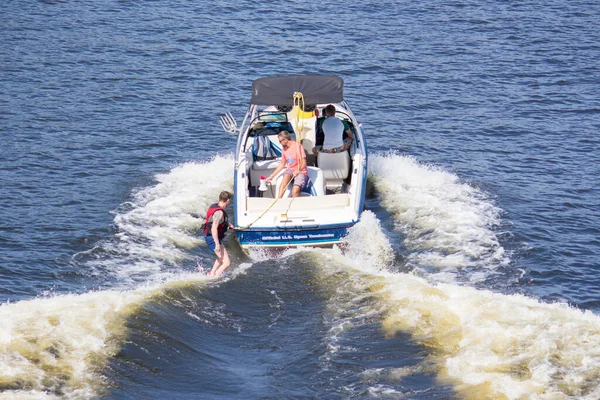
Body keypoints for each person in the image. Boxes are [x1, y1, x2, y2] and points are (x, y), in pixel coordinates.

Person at [265, 131, 308, 198]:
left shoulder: (298, 146)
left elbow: (304, 163)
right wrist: (272, 176)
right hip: (290, 170)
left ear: (285, 139)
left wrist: (298, 170)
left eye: (280, 141)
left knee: (295, 191)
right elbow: (282, 163)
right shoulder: (284, 149)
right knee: (286, 177)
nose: (280, 143)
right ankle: (279, 200)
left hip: (300, 171)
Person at [204, 191, 234, 277]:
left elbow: (217, 221)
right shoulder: (219, 213)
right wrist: (217, 244)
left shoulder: (214, 206)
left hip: (210, 236)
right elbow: (214, 228)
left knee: (221, 257)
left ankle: (212, 273)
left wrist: (228, 224)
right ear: (228, 201)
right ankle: (215, 277)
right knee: (227, 263)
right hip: (212, 238)